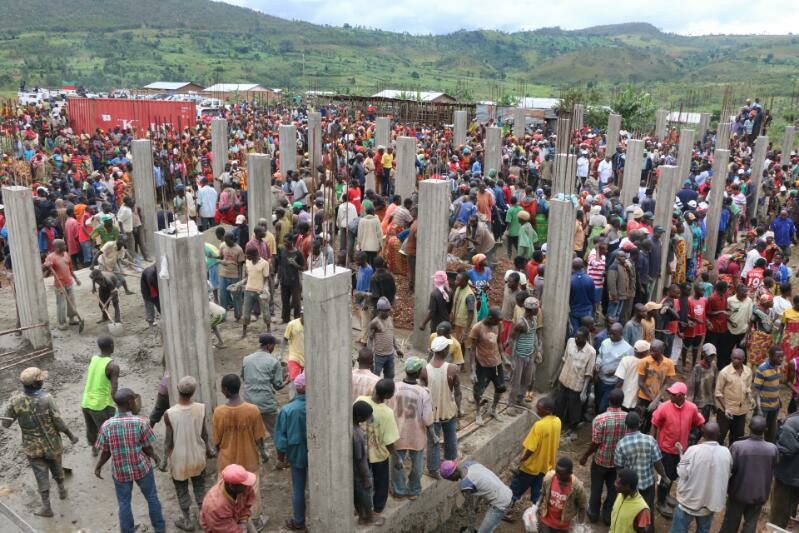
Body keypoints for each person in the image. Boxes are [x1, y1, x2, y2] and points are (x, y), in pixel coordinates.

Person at [3, 367, 79, 517]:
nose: (43, 381)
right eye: (40, 380)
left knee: (40, 475)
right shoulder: (47, 399)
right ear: (35, 385)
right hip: (52, 444)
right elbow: (59, 422)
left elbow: (6, 424)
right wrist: (71, 436)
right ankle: (62, 489)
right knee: (56, 466)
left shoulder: (15, 401)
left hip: (32, 448)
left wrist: (11, 412)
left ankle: (46, 507)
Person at [94, 388, 165, 533]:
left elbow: (106, 452)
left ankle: (127, 530)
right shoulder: (140, 422)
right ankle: (159, 528)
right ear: (129, 402)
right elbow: (147, 447)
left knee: (124, 503)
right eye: (133, 399)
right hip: (141, 467)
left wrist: (99, 466)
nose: (134, 401)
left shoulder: (107, 425)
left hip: (120, 471)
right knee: (152, 498)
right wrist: (155, 457)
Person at [211, 374, 269, 529]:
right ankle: (255, 519)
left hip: (227, 461)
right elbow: (259, 439)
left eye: (222, 388)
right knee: (252, 489)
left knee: (225, 489)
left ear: (226, 390)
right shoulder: (253, 410)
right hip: (248, 459)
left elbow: (216, 441)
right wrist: (264, 454)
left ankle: (227, 518)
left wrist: (219, 453)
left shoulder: (219, 412)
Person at [159, 376, 212, 532]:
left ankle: (188, 521)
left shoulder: (170, 413)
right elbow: (204, 435)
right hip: (197, 456)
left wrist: (163, 461)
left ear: (177, 389)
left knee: (181, 489)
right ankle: (203, 519)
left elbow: (168, 442)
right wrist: (208, 449)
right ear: (193, 391)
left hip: (179, 459)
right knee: (199, 486)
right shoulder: (201, 408)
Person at [651, 382, 705, 517]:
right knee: (665, 476)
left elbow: (700, 422)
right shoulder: (664, 407)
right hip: (666, 449)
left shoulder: (692, 408)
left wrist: (708, 440)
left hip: (682, 450)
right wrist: (652, 443)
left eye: (673, 394)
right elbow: (654, 424)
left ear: (682, 396)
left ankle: (667, 495)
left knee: (674, 475)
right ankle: (660, 502)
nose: (670, 396)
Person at [719, 415, 778, 533]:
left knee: (730, 522)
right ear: (766, 430)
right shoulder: (772, 449)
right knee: (751, 523)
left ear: (749, 427)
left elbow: (730, 467)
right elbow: (774, 465)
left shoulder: (738, 446)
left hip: (738, 492)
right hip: (759, 493)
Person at [669, 422, 731, 533]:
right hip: (710, 504)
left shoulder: (693, 450)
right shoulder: (726, 453)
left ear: (703, 434)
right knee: (703, 530)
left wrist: (681, 456)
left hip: (688, 502)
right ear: (719, 434)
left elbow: (682, 473)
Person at [506, 397, 561, 517]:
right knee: (538, 491)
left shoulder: (539, 425)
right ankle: (537, 513)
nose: (536, 409)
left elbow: (531, 448)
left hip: (531, 466)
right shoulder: (557, 421)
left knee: (516, 487)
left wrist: (522, 459)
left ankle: (508, 511)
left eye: (539, 408)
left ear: (547, 410)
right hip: (546, 465)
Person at [580, 389, 627, 526]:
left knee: (596, 488)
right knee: (613, 490)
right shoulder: (627, 417)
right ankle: (607, 516)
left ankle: (593, 514)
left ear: (609, 401)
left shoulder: (600, 419)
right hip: (618, 462)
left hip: (601, 461)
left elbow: (596, 442)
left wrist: (585, 456)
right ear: (622, 402)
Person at [614, 411, 666, 532]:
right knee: (648, 509)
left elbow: (619, 468)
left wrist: (620, 485)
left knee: (631, 511)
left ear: (626, 425)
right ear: (640, 423)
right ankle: (649, 529)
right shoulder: (650, 440)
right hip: (648, 483)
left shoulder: (621, 444)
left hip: (631, 487)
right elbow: (658, 463)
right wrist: (664, 476)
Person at [390, 357, 434, 500]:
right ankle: (414, 489)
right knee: (417, 464)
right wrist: (433, 433)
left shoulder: (394, 387)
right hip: (417, 435)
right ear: (419, 372)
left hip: (398, 433)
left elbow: (389, 409)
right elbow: (427, 418)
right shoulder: (423, 392)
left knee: (397, 463)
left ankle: (399, 490)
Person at [357, 378, 400, 516]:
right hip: (379, 454)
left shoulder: (360, 400)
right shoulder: (387, 413)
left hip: (361, 452)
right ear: (388, 396)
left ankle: (362, 506)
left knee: (363, 480)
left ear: (375, 388)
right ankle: (378, 508)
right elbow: (389, 442)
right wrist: (397, 457)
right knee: (381, 481)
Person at [421, 336, 461, 477]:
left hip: (432, 414)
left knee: (433, 441)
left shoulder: (424, 370)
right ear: (444, 351)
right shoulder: (453, 369)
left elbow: (422, 394)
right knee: (451, 438)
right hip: (449, 411)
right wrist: (459, 409)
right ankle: (451, 464)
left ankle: (433, 469)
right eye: (447, 348)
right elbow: (458, 393)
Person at [274, 372, 308, 531]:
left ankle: (299, 521)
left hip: (297, 454)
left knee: (299, 488)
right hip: (317, 454)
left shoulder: (287, 410)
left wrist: (281, 459)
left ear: (297, 389)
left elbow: (281, 440)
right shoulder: (319, 406)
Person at [440, 459, 512, 533]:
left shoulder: (465, 485)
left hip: (500, 505)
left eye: (449, 479)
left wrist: (470, 530)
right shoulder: (471, 464)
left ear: (452, 475)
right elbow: (481, 486)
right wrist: (476, 505)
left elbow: (471, 512)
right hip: (507, 492)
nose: (451, 481)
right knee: (490, 528)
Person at [241, 333, 287, 439]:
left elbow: (244, 377)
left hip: (249, 402)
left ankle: (260, 452)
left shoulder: (246, 359)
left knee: (252, 432)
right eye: (274, 345)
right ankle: (281, 454)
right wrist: (287, 381)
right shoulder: (274, 362)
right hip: (266, 403)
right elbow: (278, 386)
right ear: (269, 346)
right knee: (277, 430)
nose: (274, 348)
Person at [80, 336, 120, 449]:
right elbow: (114, 391)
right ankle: (109, 451)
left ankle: (94, 448)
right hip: (101, 405)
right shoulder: (113, 366)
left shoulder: (93, 359)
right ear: (112, 347)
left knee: (91, 428)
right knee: (108, 432)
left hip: (86, 401)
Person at [554, 327, 596, 433]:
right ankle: (558, 425)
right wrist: (556, 376)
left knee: (574, 408)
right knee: (560, 404)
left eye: (579, 338)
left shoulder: (591, 352)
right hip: (564, 379)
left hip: (577, 384)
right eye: (576, 336)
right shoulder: (570, 342)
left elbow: (588, 373)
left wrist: (584, 391)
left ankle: (572, 428)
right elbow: (564, 359)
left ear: (586, 338)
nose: (576, 339)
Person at [469, 307, 506, 425]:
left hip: (496, 363)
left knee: (500, 388)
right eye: (496, 321)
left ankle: (493, 409)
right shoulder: (477, 328)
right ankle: (478, 413)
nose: (498, 323)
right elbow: (472, 349)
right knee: (478, 391)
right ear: (490, 318)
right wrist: (473, 370)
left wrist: (504, 358)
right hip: (482, 364)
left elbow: (499, 342)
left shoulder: (498, 325)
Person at [199, 464, 257, 532]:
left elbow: (247, 502)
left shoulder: (243, 486)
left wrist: (243, 519)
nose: (248, 485)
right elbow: (225, 529)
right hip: (219, 528)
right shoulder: (215, 506)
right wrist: (241, 530)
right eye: (244, 484)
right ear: (231, 486)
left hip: (237, 516)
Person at [352, 400, 383, 525]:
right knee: (365, 493)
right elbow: (359, 459)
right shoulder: (357, 435)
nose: (370, 418)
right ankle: (369, 518)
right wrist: (366, 477)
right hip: (360, 471)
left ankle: (361, 516)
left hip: (353, 471)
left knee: (357, 494)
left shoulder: (351, 427)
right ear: (359, 417)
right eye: (368, 416)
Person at [537, 457, 588, 533]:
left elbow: (582, 507)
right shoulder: (549, 478)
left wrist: (579, 526)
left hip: (563, 526)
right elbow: (543, 493)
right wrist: (536, 507)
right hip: (546, 520)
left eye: (561, 474)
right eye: (557, 472)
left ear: (570, 473)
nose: (557, 476)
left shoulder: (578, 488)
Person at [508, 296, 541, 412]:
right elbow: (511, 339)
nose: (538, 310)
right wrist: (512, 359)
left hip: (529, 355)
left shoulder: (534, 320)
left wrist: (537, 351)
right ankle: (511, 404)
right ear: (531, 310)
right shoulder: (521, 324)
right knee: (516, 382)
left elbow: (534, 337)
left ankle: (520, 400)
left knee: (526, 380)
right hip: (519, 356)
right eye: (537, 308)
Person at [715, 347, 753, 444]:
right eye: (734, 358)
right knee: (720, 435)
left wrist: (750, 398)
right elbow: (718, 393)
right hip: (726, 411)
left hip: (741, 411)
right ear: (731, 357)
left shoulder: (748, 371)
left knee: (738, 437)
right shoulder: (724, 372)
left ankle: (733, 455)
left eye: (738, 359)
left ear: (743, 359)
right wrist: (726, 408)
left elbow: (748, 387)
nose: (736, 361)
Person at [636, 339, 675, 433]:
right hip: (644, 398)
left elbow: (666, 384)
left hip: (658, 398)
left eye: (654, 351)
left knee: (651, 423)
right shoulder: (644, 362)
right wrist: (654, 399)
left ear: (662, 351)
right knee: (639, 423)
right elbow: (641, 383)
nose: (651, 353)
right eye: (651, 350)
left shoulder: (669, 363)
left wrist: (657, 400)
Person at [43, 238, 82, 330]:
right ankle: (61, 323)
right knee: (61, 304)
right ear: (57, 247)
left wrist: (76, 279)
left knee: (71, 301)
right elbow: (44, 268)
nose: (65, 246)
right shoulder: (51, 257)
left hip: (69, 282)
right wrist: (46, 266)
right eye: (63, 245)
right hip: (59, 284)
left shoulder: (66, 255)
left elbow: (70, 269)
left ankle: (72, 319)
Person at [596, 323, 633, 413]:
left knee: (603, 407)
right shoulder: (605, 342)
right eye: (610, 333)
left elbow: (628, 367)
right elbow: (600, 356)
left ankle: (602, 421)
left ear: (621, 334)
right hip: (600, 379)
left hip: (612, 383)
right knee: (597, 402)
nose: (611, 336)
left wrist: (616, 371)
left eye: (614, 334)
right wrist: (597, 364)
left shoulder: (627, 349)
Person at [753, 345, 784, 442]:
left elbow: (775, 384)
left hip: (775, 406)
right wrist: (759, 408)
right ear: (770, 356)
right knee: (759, 431)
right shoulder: (762, 369)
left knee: (771, 431)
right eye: (778, 357)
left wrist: (778, 398)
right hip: (764, 407)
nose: (781, 359)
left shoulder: (777, 367)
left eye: (781, 356)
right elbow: (756, 390)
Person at [369, 296, 403, 379]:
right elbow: (370, 339)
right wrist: (369, 355)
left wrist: (397, 348)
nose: (388, 313)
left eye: (388, 310)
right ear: (379, 310)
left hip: (390, 355)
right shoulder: (374, 322)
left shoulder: (390, 319)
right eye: (385, 311)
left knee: (390, 376)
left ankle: (388, 391)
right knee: (375, 376)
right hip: (379, 356)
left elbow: (392, 335)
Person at [240, 246, 270, 338]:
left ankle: (269, 328)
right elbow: (246, 276)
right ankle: (244, 331)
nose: (247, 257)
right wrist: (239, 284)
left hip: (260, 291)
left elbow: (266, 278)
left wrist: (265, 289)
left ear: (255, 255)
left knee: (265, 311)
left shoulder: (264, 263)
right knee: (245, 313)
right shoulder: (248, 262)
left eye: (248, 255)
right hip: (248, 290)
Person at [609, 468, 651, 533]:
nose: (615, 484)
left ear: (627, 486)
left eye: (618, 483)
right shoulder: (620, 495)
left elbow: (642, 531)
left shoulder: (642, 510)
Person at [615, 340, 649, 411]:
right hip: (637, 401)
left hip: (623, 398)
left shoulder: (625, 360)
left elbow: (620, 381)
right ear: (645, 352)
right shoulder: (647, 364)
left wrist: (615, 396)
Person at [283, 310, 305, 380]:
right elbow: (285, 339)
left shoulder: (312, 325)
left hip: (306, 359)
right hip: (294, 356)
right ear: (301, 315)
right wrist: (281, 355)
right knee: (295, 379)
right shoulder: (292, 324)